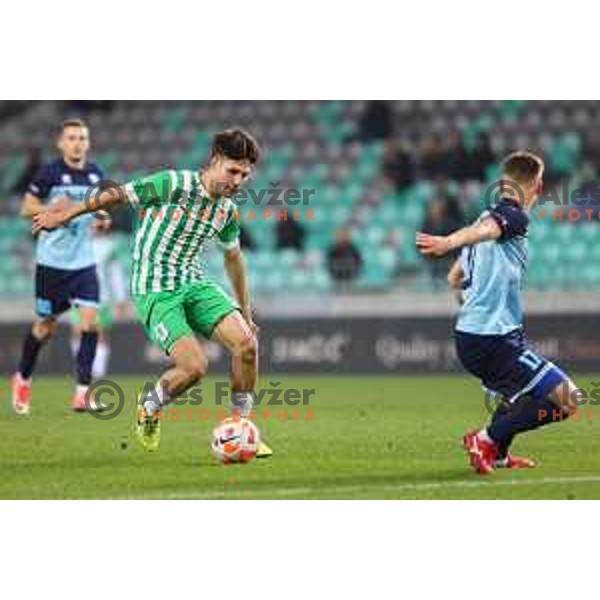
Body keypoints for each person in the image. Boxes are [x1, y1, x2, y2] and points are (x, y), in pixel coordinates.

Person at [32, 128, 272, 459]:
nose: (237, 180)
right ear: (215, 161)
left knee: (246, 344)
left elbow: (233, 258)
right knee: (194, 368)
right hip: (155, 288)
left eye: (245, 175)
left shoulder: (226, 211)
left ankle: (241, 427)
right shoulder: (173, 184)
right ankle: (150, 405)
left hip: (194, 282)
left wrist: (246, 311)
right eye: (232, 170)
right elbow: (116, 196)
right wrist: (66, 213)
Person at [416, 151, 581, 475]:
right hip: (493, 339)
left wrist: (473, 306)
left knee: (519, 393)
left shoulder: (481, 217)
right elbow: (490, 231)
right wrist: (449, 241)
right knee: (567, 398)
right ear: (539, 185)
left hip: (477, 336)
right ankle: (485, 439)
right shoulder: (513, 218)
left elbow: (454, 278)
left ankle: (499, 454)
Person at [12, 119, 109, 415]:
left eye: (82, 138)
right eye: (72, 138)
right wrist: (53, 209)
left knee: (91, 323)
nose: (77, 143)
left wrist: (103, 221)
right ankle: (23, 378)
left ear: (88, 143)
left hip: (84, 263)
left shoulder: (95, 174)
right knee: (45, 327)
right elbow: (26, 208)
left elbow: (100, 210)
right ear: (61, 143)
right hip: (52, 265)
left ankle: (82, 392)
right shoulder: (49, 172)